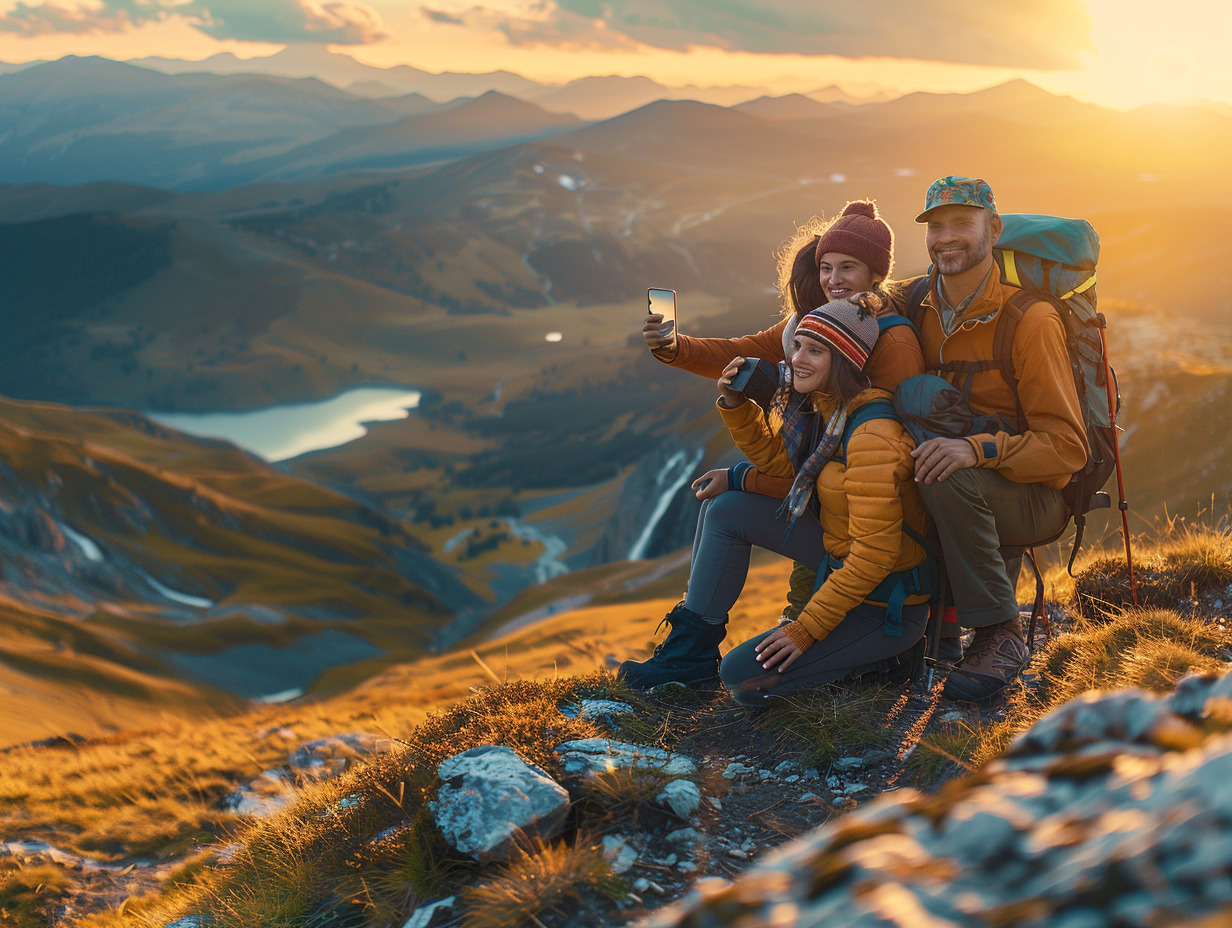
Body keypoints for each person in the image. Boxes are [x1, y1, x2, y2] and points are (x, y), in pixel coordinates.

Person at [618, 296, 934, 701]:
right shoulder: (834, 411)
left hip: (886, 602)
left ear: (845, 362)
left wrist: (804, 630)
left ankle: (885, 662)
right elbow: (786, 469)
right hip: (841, 564)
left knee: (742, 679)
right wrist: (736, 407)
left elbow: (876, 556)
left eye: (815, 350)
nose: (798, 359)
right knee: (729, 509)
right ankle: (689, 656)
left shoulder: (873, 436)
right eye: (798, 345)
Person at [645, 200, 926, 622]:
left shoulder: (891, 343)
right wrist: (674, 348)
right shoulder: (815, 326)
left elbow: (856, 467)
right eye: (825, 267)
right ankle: (691, 643)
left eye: (847, 268)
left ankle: (696, 648)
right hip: (831, 504)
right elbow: (742, 351)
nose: (833, 280)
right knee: (722, 507)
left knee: (725, 509)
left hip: (868, 530)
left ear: (876, 274)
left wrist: (744, 477)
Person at [900, 176, 1088, 701]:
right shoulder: (916, 302)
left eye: (962, 222)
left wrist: (978, 450)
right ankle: (911, 627)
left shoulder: (1030, 320)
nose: (946, 237)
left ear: (994, 229)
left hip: (1038, 494)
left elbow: (1067, 450)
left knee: (944, 473)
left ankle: (998, 635)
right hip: (964, 477)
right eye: (936, 226)